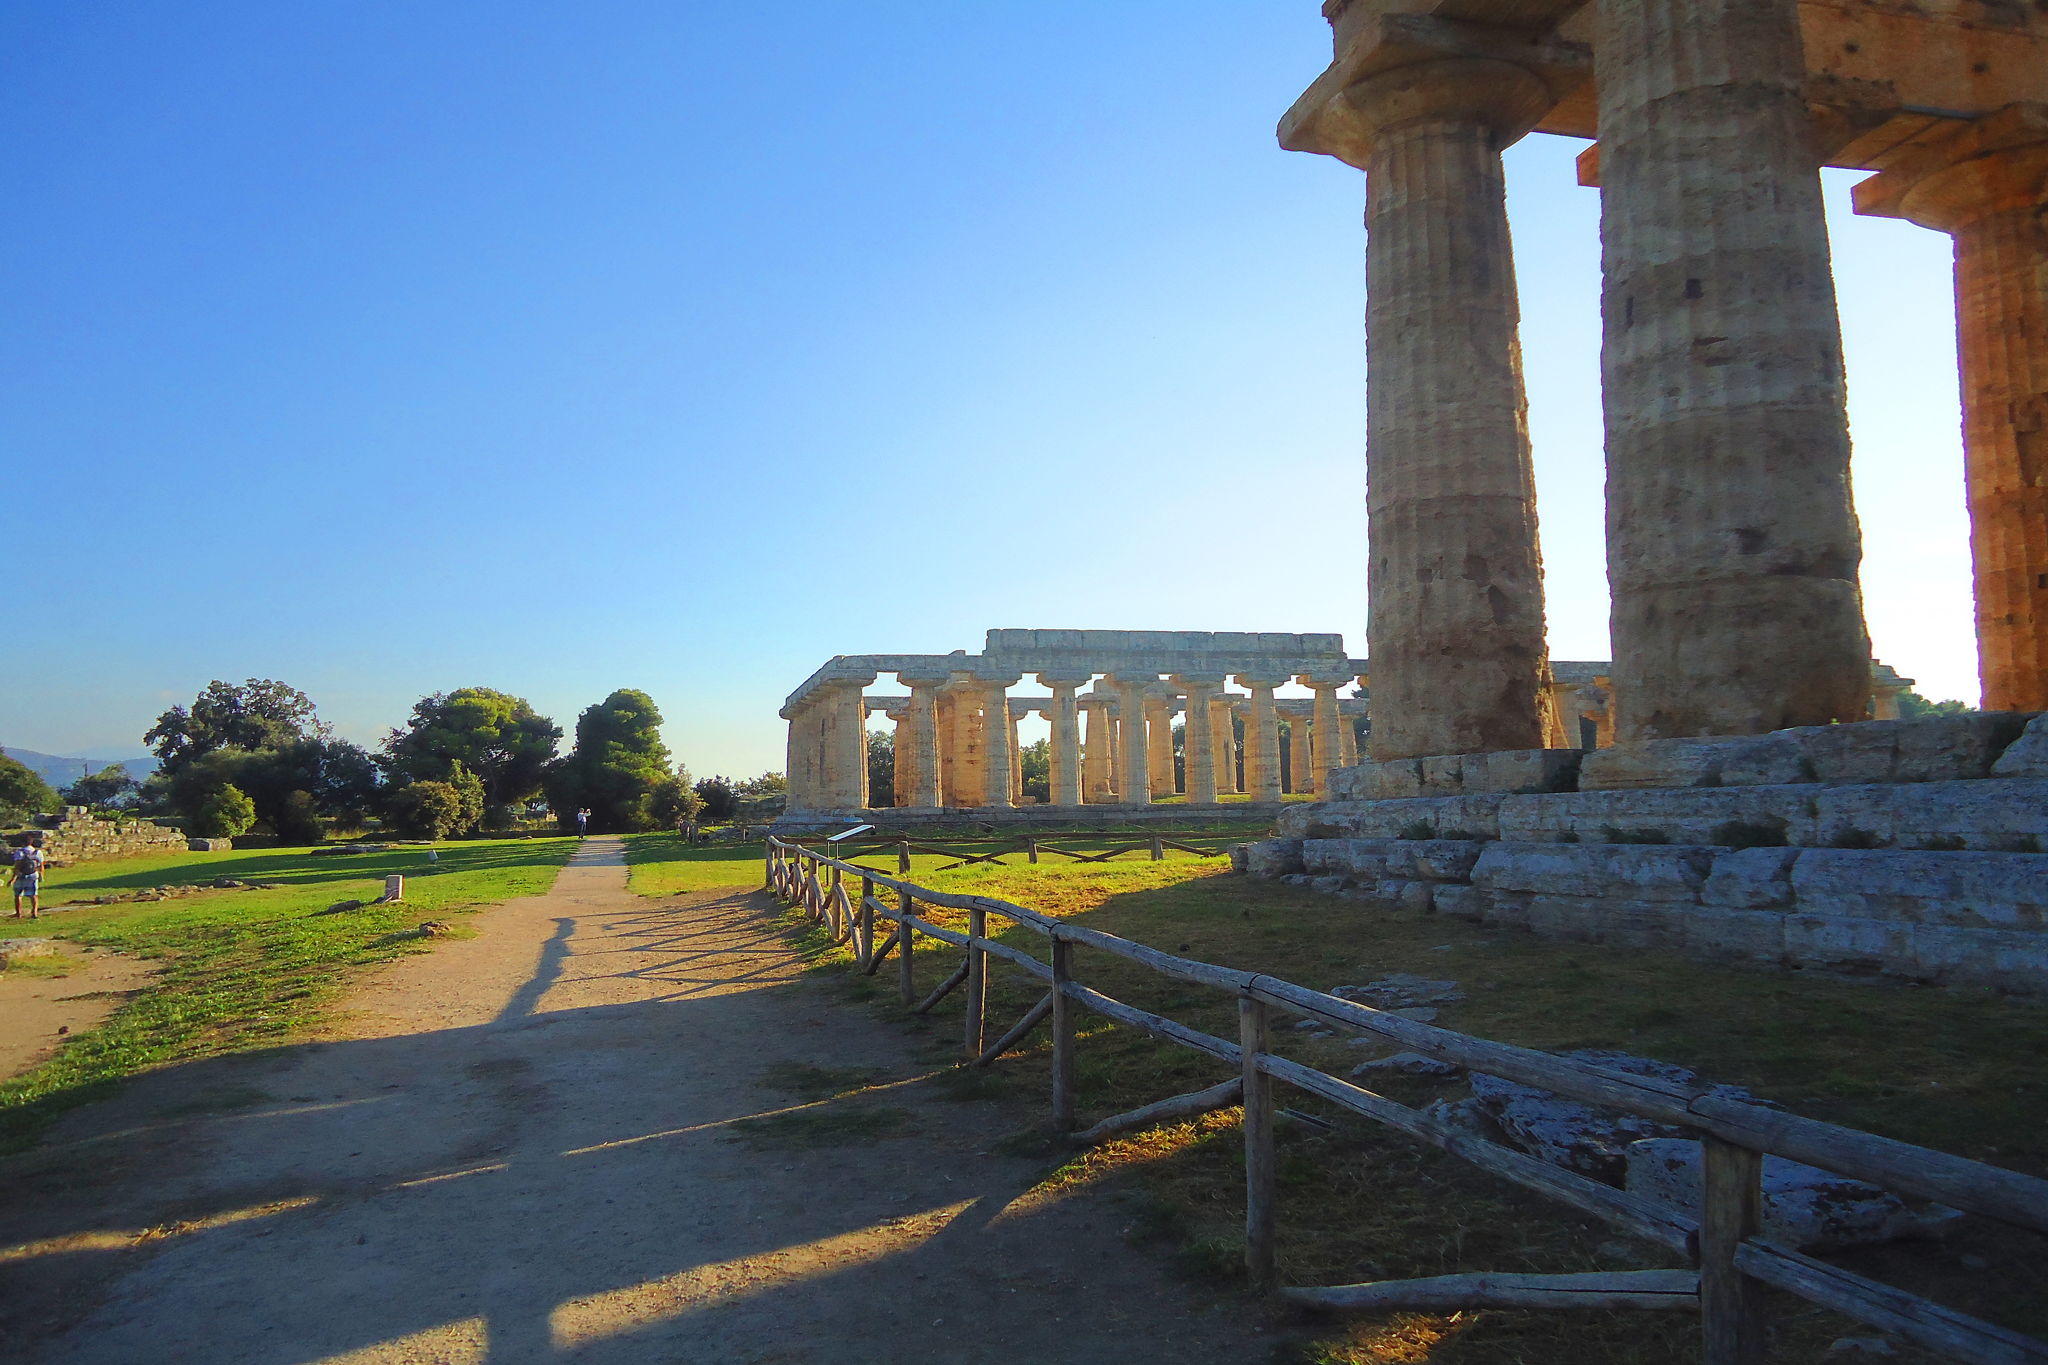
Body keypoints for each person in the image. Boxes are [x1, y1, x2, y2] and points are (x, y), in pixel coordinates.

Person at [11, 837, 46, 919]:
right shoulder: (38, 852)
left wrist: (13, 878)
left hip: (21, 875)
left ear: (22, 843)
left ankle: (18, 913)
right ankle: (34, 913)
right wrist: (41, 876)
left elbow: (17, 866)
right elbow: (41, 865)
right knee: (33, 895)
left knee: (18, 895)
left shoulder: (19, 852)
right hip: (33, 875)